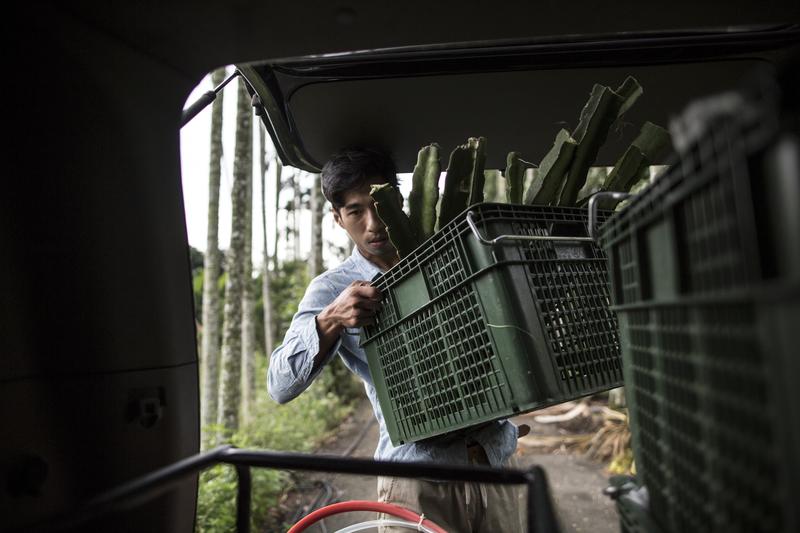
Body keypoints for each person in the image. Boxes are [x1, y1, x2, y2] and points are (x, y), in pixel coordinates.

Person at [267, 147, 526, 532]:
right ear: (338, 218)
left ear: (399, 199)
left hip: (496, 463)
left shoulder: (451, 256)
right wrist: (331, 318)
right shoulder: (332, 289)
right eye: (356, 211)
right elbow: (279, 384)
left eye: (379, 203)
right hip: (417, 480)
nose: (374, 223)